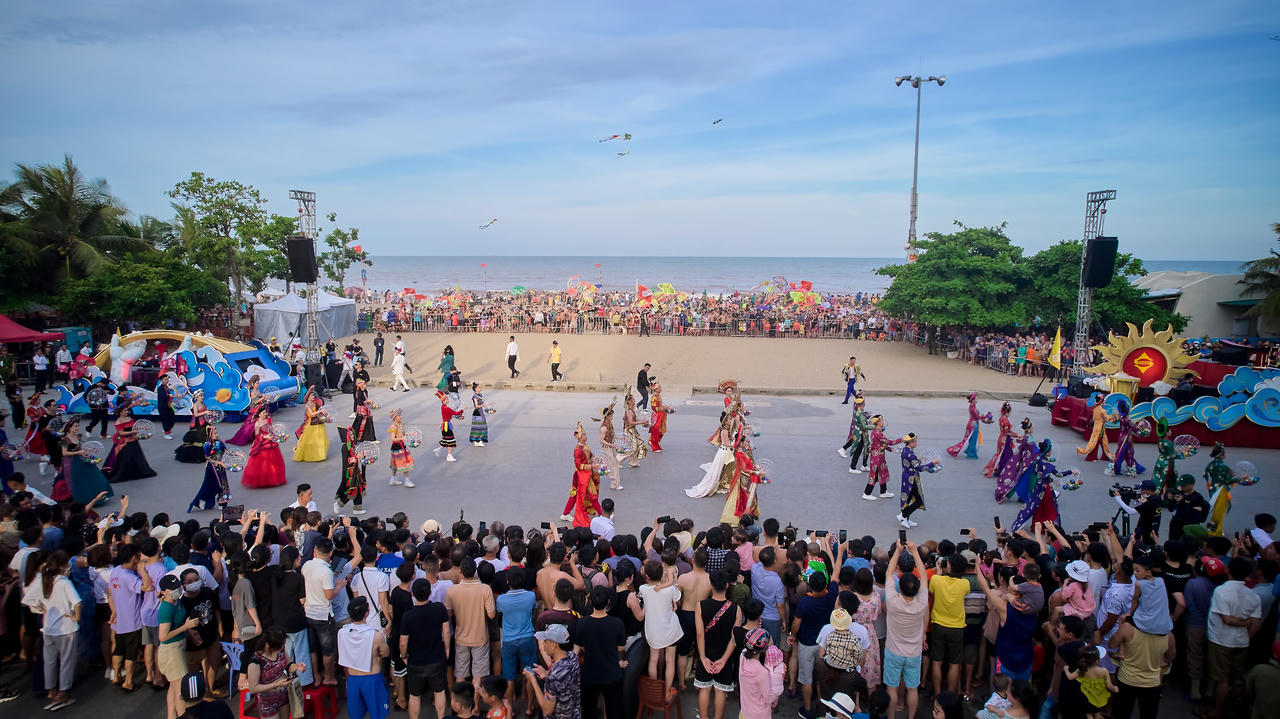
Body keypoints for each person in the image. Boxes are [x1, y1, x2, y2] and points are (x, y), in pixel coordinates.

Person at [1203, 557, 1263, 719]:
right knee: (1237, 678)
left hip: (1221, 640)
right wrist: (1246, 636)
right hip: (1241, 642)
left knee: (1221, 678)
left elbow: (1227, 619)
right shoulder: (1253, 595)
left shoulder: (1221, 591)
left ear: (1228, 570)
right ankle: (1234, 708)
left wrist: (1242, 623)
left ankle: (1218, 711)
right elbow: (1256, 624)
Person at [22, 550, 81, 711]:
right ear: (63, 566)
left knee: (50, 661)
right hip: (66, 628)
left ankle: (51, 691)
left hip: (48, 627)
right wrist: (76, 617)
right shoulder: (63, 582)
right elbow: (77, 602)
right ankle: (63, 693)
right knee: (66, 661)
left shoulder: (43, 579)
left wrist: (42, 609)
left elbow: (28, 599)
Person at [885, 542, 927, 719]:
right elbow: (923, 576)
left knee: (891, 688)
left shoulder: (893, 601)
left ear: (899, 587)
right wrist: (915, 552)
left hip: (894, 650)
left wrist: (897, 551)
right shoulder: (921, 602)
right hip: (914, 652)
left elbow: (889, 573)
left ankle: (891, 717)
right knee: (912, 689)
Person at [578, 585, 627, 719]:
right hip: (612, 673)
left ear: (591, 602)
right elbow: (621, 648)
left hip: (589, 674)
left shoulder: (582, 623)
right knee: (614, 710)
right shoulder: (617, 623)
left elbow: (578, 648)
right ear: (608, 602)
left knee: (589, 710)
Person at [445, 557, 497, 685]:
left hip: (460, 637)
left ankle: (459, 701)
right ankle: (476, 705)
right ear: (475, 572)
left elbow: (449, 614)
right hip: (480, 637)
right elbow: (491, 615)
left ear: (460, 572)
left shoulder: (452, 590)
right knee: (478, 675)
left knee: (460, 673)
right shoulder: (485, 589)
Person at [340, 597, 391, 719]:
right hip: (372, 679)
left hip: (353, 679)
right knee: (378, 715)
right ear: (367, 613)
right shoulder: (375, 635)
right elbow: (386, 653)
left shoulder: (342, 632)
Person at [156, 574, 197, 719]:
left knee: (173, 689)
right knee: (181, 692)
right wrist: (185, 627)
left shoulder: (176, 601)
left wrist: (188, 630)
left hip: (178, 649)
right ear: (163, 591)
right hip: (171, 652)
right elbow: (163, 636)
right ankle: (181, 716)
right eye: (172, 588)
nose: (177, 590)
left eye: (177, 586)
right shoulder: (166, 609)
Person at [639, 559, 683, 694]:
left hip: (653, 630)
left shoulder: (643, 589)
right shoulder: (670, 589)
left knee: (653, 660)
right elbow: (677, 598)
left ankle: (655, 690)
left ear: (646, 576)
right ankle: (667, 692)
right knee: (670, 661)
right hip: (671, 629)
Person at [244, 628, 304, 719]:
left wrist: (296, 667)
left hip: (284, 696)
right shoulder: (256, 662)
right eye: (280, 646)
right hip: (267, 702)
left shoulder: (281, 650)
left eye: (283, 644)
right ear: (268, 645)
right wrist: (275, 685)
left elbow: (288, 665)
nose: (282, 647)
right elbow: (253, 688)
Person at [525, 624, 580, 719]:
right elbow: (563, 680)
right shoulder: (572, 657)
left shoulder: (553, 677)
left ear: (554, 645)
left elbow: (547, 709)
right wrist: (547, 673)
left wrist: (533, 680)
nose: (543, 644)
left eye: (545, 641)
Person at [101, 404, 157, 482]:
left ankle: (134, 472)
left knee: (135, 456)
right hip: (125, 441)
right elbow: (121, 433)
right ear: (120, 412)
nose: (127, 412)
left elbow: (134, 427)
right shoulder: (118, 421)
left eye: (127, 410)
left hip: (133, 440)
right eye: (125, 411)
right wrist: (133, 431)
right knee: (125, 458)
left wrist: (142, 428)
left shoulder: (129, 418)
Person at [738, 627, 785, 719]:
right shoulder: (762, 672)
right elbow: (769, 698)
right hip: (760, 715)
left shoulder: (742, 655)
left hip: (745, 710)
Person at [897, 433, 938, 528]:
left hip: (907, 477)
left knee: (908, 499)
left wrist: (920, 459)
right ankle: (903, 516)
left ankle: (905, 519)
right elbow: (919, 468)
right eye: (915, 441)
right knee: (918, 501)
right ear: (910, 442)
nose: (916, 443)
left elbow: (912, 463)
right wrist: (932, 463)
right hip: (911, 480)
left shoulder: (905, 450)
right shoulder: (911, 454)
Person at [189, 427, 230, 514]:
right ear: (209, 435)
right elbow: (208, 458)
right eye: (214, 433)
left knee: (223, 484)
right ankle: (202, 501)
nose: (216, 435)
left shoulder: (219, 442)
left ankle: (222, 502)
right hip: (212, 468)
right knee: (211, 485)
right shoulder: (207, 445)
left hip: (221, 467)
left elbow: (226, 450)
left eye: (216, 433)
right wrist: (218, 463)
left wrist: (235, 453)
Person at [241, 411, 286, 489]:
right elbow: (257, 435)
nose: (265, 414)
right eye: (263, 413)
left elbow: (271, 430)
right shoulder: (257, 424)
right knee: (263, 463)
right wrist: (265, 437)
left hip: (271, 441)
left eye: (265, 412)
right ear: (259, 414)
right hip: (263, 443)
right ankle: (262, 479)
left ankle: (271, 478)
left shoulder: (269, 420)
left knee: (273, 461)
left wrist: (277, 429)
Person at [1106, 399, 1147, 478]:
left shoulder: (1122, 418)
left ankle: (1129, 470)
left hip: (1122, 437)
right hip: (1126, 439)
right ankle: (1117, 469)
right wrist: (1141, 425)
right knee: (1127, 453)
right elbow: (1135, 429)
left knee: (1125, 453)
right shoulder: (1128, 420)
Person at [863, 414, 899, 501]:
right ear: (878, 422)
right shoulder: (877, 434)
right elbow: (889, 442)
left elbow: (882, 444)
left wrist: (891, 450)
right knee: (874, 476)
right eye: (882, 420)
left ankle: (883, 492)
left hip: (880, 458)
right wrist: (902, 440)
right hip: (877, 459)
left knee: (882, 474)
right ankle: (867, 493)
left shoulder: (877, 432)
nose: (883, 421)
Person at [984, 402, 1020, 478]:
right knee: (1002, 455)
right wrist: (1016, 435)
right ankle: (999, 470)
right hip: (1005, 440)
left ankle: (998, 469)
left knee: (1001, 454)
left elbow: (1004, 431)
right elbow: (1007, 433)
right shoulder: (1006, 421)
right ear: (1008, 411)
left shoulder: (1001, 418)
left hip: (1001, 437)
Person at [593, 398, 623, 490]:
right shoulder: (604, 428)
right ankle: (616, 484)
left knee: (614, 465)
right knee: (613, 466)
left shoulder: (610, 424)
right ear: (608, 416)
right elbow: (601, 440)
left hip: (610, 447)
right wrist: (611, 445)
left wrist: (619, 438)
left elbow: (613, 434)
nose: (612, 416)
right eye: (611, 415)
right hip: (607, 448)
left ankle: (614, 484)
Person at [293, 388, 330, 462]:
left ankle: (320, 454)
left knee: (320, 439)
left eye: (313, 396)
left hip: (318, 422)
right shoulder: (307, 405)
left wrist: (326, 414)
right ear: (308, 397)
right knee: (310, 440)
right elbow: (311, 414)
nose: (313, 397)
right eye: (311, 396)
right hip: (311, 423)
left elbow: (320, 410)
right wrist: (319, 411)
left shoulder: (315, 402)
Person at [1169, 474, 1210, 541]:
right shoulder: (1179, 493)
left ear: (1191, 485)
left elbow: (1195, 515)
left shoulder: (1197, 497)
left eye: (1184, 485)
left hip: (1187, 526)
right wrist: (1171, 500)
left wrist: (1183, 502)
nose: (1182, 487)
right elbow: (1171, 509)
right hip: (1175, 523)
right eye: (1181, 485)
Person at [946, 393, 984, 459]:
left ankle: (966, 451)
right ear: (973, 400)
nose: (978, 399)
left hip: (971, 424)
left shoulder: (972, 406)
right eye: (976, 398)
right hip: (973, 425)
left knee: (968, 440)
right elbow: (977, 417)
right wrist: (985, 416)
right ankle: (957, 451)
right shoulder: (973, 407)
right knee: (972, 441)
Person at [837, 397, 870, 474]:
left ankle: (864, 465)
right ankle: (852, 467)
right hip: (861, 434)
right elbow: (864, 426)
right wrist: (875, 427)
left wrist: (866, 416)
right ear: (863, 404)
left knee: (867, 448)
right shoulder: (860, 413)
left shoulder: (857, 411)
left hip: (858, 433)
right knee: (859, 451)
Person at [433, 390, 464, 462]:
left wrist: (459, 417)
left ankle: (438, 449)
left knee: (446, 439)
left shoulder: (443, 407)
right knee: (450, 440)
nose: (448, 399)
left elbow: (450, 415)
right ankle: (449, 456)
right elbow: (456, 413)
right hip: (446, 426)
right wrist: (462, 410)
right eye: (446, 399)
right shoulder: (446, 408)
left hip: (444, 425)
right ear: (443, 401)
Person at [388, 408, 416, 488]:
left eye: (400, 415)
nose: (401, 417)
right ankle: (407, 480)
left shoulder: (400, 424)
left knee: (395, 463)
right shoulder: (393, 426)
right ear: (395, 417)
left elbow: (403, 433)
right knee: (404, 462)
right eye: (399, 415)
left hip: (401, 445)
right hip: (397, 446)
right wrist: (402, 439)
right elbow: (393, 438)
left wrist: (411, 433)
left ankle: (392, 479)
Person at [621, 390, 649, 469]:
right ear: (629, 401)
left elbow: (633, 420)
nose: (634, 400)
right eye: (633, 399)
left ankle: (633, 462)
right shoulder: (629, 411)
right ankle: (618, 460)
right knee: (633, 448)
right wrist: (641, 422)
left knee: (635, 446)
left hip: (632, 430)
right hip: (629, 431)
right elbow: (631, 422)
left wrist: (642, 421)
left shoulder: (631, 410)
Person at [647, 378, 675, 452]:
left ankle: (652, 442)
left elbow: (659, 406)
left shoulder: (658, 396)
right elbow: (654, 408)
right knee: (656, 430)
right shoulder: (654, 397)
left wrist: (665, 407)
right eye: (659, 387)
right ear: (656, 389)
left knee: (661, 431)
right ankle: (654, 446)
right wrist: (663, 408)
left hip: (661, 415)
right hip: (657, 415)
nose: (660, 389)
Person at [157, 373, 177, 440]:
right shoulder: (160, 388)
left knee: (172, 418)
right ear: (161, 380)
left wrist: (173, 400)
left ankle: (167, 429)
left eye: (167, 379)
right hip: (163, 407)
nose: (167, 380)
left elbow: (168, 397)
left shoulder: (166, 387)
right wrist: (172, 396)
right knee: (166, 420)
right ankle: (166, 433)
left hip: (168, 406)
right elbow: (164, 396)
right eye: (165, 379)